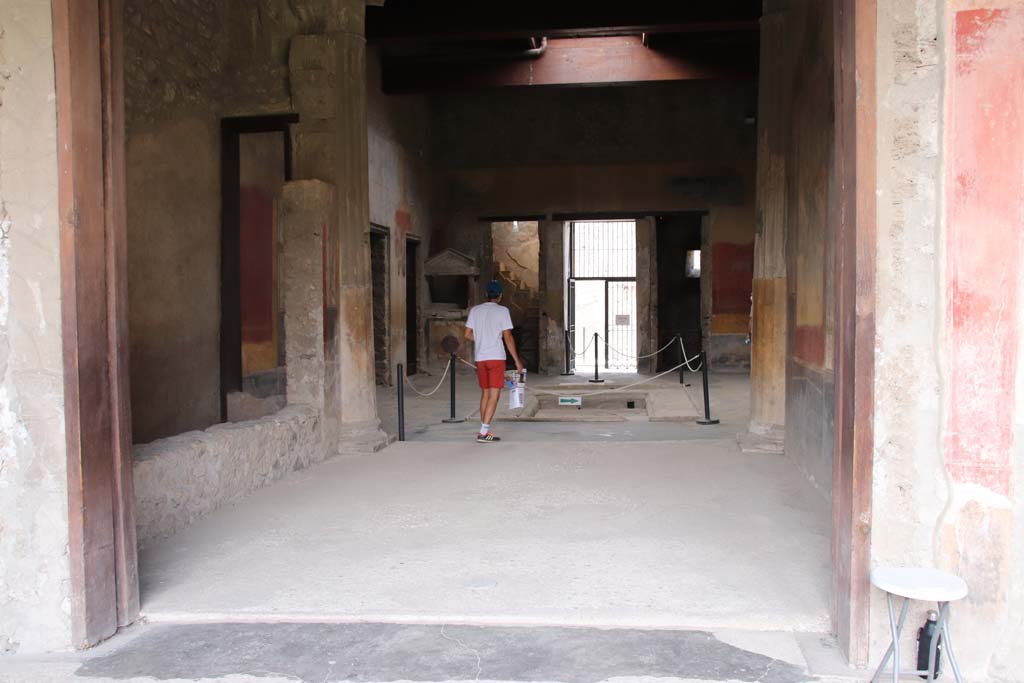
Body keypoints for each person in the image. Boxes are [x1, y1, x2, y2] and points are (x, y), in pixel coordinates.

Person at [464, 280, 524, 443]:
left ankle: (484, 430)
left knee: (485, 393)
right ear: (500, 296)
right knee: (494, 395)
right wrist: (517, 361)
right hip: (496, 357)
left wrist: (482, 339)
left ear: (486, 295)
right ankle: (483, 433)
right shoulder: (503, 311)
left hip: (480, 358)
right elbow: (508, 337)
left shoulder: (475, 310)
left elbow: (467, 334)